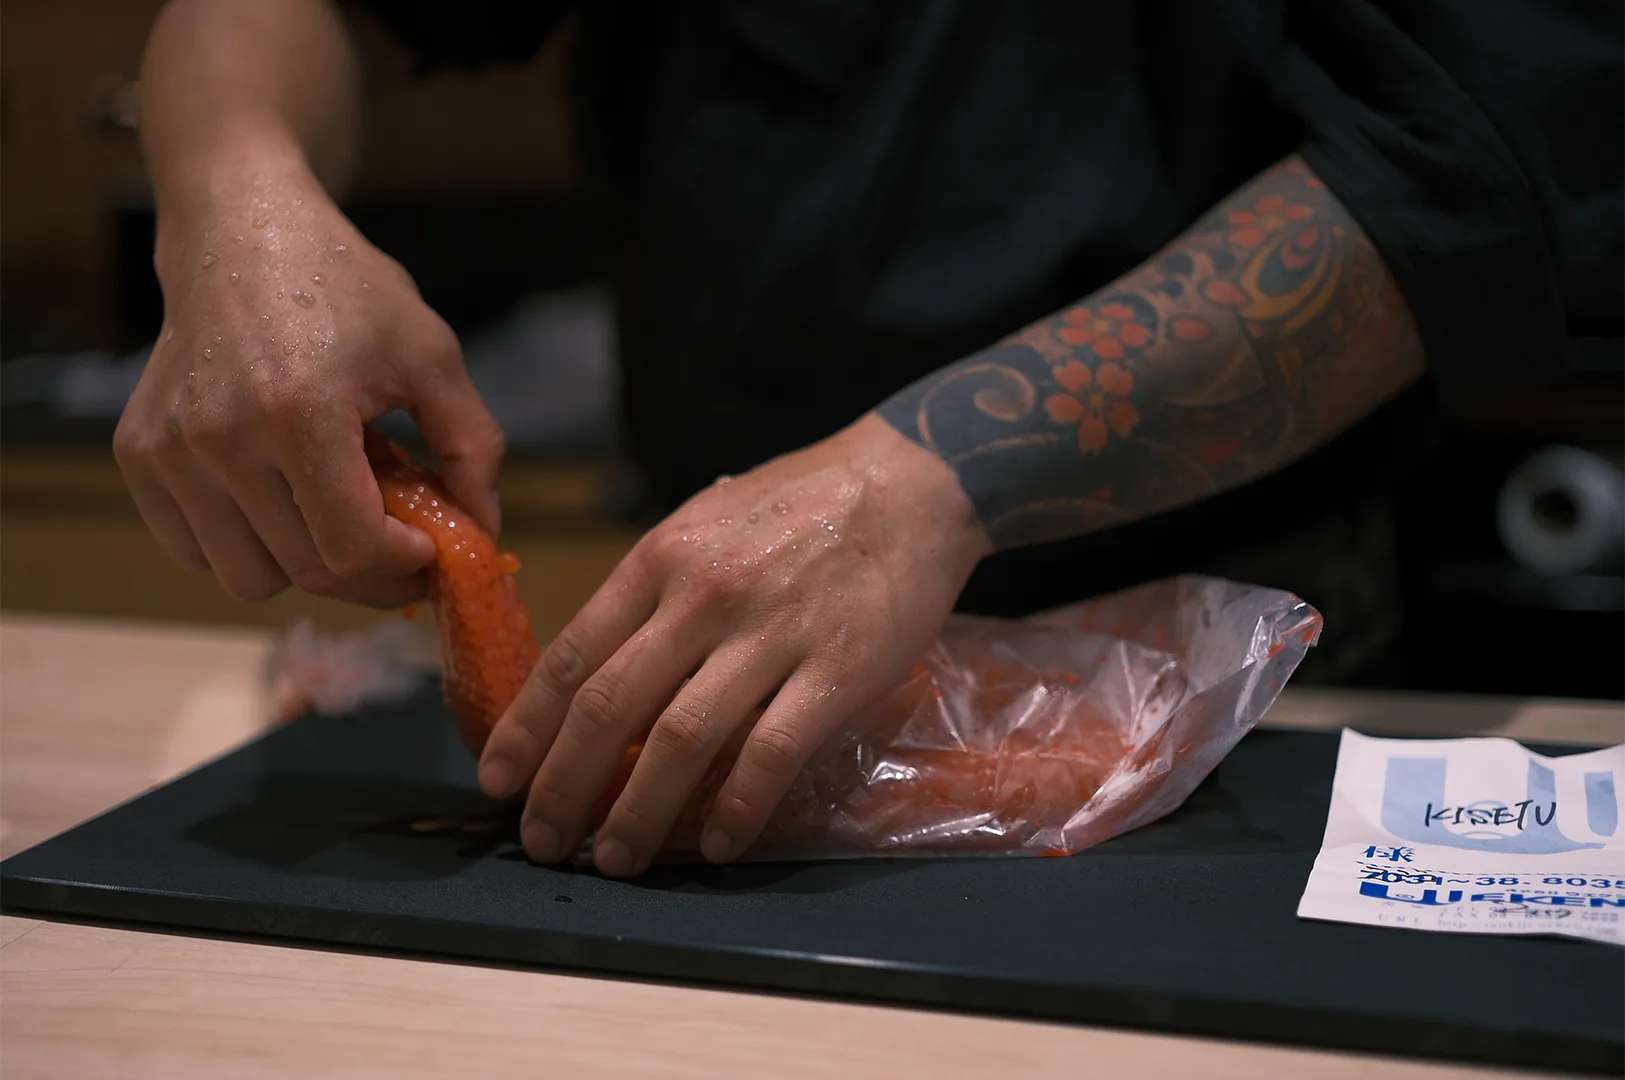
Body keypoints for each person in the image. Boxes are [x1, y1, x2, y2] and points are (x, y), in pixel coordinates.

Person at [118, 0, 1625, 876]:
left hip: (1229, 664)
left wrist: (927, 478)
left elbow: (1482, 164)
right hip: (710, 610)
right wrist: (234, 187)